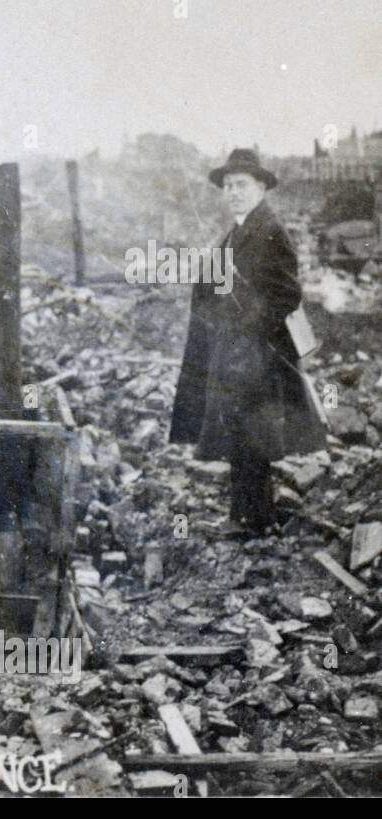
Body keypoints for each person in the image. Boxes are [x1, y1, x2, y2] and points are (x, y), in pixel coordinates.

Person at [169, 148, 327, 536]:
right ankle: (248, 516)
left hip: (258, 355)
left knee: (252, 435)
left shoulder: (270, 231)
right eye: (228, 186)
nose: (233, 192)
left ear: (260, 187)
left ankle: (255, 520)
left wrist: (248, 333)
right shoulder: (238, 232)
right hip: (234, 352)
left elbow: (286, 294)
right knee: (240, 433)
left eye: (241, 184)